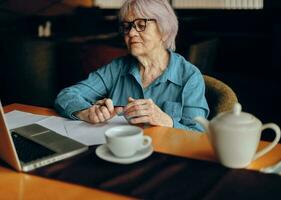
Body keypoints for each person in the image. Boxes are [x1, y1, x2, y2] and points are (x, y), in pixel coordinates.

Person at [54, 0, 209, 132]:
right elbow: (67, 95)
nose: (131, 33)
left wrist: (167, 122)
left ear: (164, 32)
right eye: (127, 26)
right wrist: (87, 112)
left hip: (164, 159)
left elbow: (198, 135)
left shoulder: (189, 77)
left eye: (141, 24)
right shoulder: (117, 68)